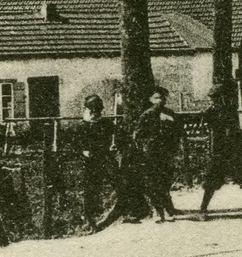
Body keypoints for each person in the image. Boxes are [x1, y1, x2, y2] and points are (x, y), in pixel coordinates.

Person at [200, 83, 242, 220]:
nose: (214, 101)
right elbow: (207, 130)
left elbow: (236, 130)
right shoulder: (209, 113)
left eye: (217, 98)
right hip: (217, 151)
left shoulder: (230, 111)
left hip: (233, 151)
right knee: (211, 182)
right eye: (212, 98)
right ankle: (203, 209)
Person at [130, 86, 183, 223]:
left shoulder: (170, 113)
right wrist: (145, 146)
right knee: (154, 182)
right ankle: (159, 212)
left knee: (166, 180)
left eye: (162, 98)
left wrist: (174, 146)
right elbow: (137, 135)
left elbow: (178, 132)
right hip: (151, 153)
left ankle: (169, 209)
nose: (160, 100)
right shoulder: (146, 115)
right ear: (151, 99)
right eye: (156, 98)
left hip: (167, 152)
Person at [75, 94, 120, 228]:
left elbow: (118, 135)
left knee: (118, 183)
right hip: (90, 161)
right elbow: (76, 143)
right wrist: (83, 151)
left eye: (97, 111)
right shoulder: (82, 126)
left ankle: (120, 210)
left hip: (105, 158)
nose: (95, 114)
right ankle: (90, 219)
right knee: (91, 189)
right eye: (92, 111)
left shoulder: (106, 124)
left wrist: (114, 144)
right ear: (87, 110)